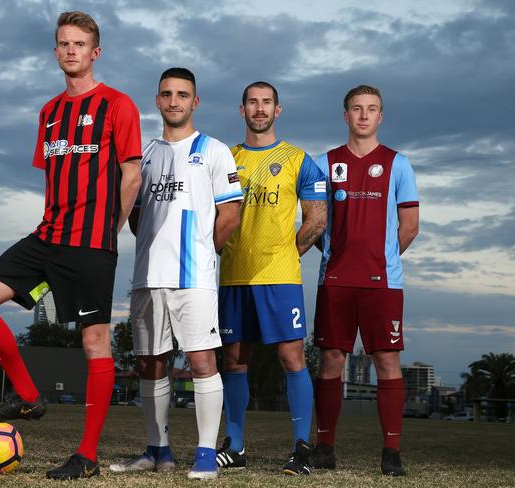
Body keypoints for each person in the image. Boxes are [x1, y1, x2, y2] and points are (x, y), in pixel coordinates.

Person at [0, 11, 142, 480]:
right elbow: (57, 179)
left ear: (95, 52)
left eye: (80, 44)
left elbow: (132, 175)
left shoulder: (118, 105)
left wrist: (109, 231)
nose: (71, 51)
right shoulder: (49, 112)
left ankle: (87, 456)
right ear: (56, 50)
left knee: (94, 341)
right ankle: (27, 396)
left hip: (90, 242)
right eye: (63, 43)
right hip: (47, 236)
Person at [108, 67, 243, 480]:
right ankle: (158, 450)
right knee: (150, 364)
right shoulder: (144, 154)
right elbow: (134, 218)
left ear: (194, 102)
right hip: (147, 277)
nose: (174, 101)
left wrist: (203, 250)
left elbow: (231, 215)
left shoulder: (215, 151)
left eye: (182, 94)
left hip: (194, 277)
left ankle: (205, 454)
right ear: (157, 100)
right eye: (166, 94)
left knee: (202, 360)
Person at [216, 81, 327, 475]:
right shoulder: (224, 158)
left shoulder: (298, 159)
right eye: (252, 103)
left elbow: (317, 219)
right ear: (241, 109)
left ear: (277, 110)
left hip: (280, 276)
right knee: (235, 359)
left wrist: (283, 253)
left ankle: (301, 448)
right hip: (233, 276)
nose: (259, 109)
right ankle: (235, 446)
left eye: (266, 103)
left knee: (291, 356)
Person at [311, 85, 419, 476]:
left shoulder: (398, 164)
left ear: (380, 116)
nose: (363, 116)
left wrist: (382, 258)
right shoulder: (323, 163)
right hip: (335, 279)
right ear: (345, 115)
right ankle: (324, 447)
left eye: (371, 109)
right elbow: (314, 220)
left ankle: (391, 452)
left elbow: (410, 227)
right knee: (330, 361)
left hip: (382, 283)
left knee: (387, 361)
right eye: (356, 109)